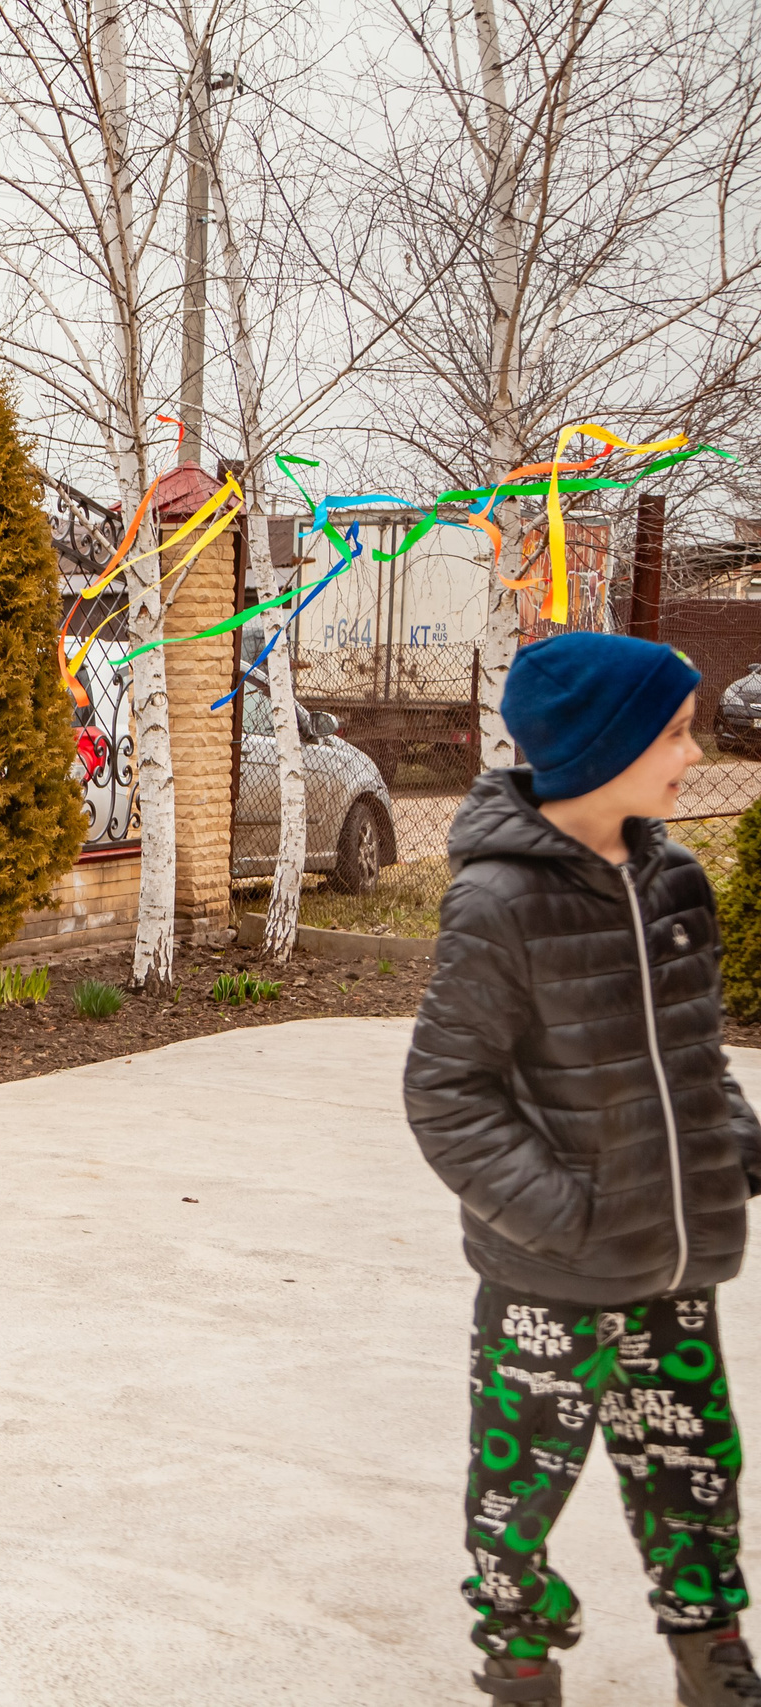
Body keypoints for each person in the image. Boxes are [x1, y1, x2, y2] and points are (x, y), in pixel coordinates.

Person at [406, 632, 761, 1707]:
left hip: (669, 1268)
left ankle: (710, 1647)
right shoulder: (496, 904)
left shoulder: (676, 880)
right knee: (518, 1484)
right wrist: (560, 1215)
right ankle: (517, 1649)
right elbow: (446, 1094)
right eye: (672, 733)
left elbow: (692, 1054)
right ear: (603, 752)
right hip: (546, 1281)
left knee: (694, 1473)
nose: (690, 756)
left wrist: (730, 1146)